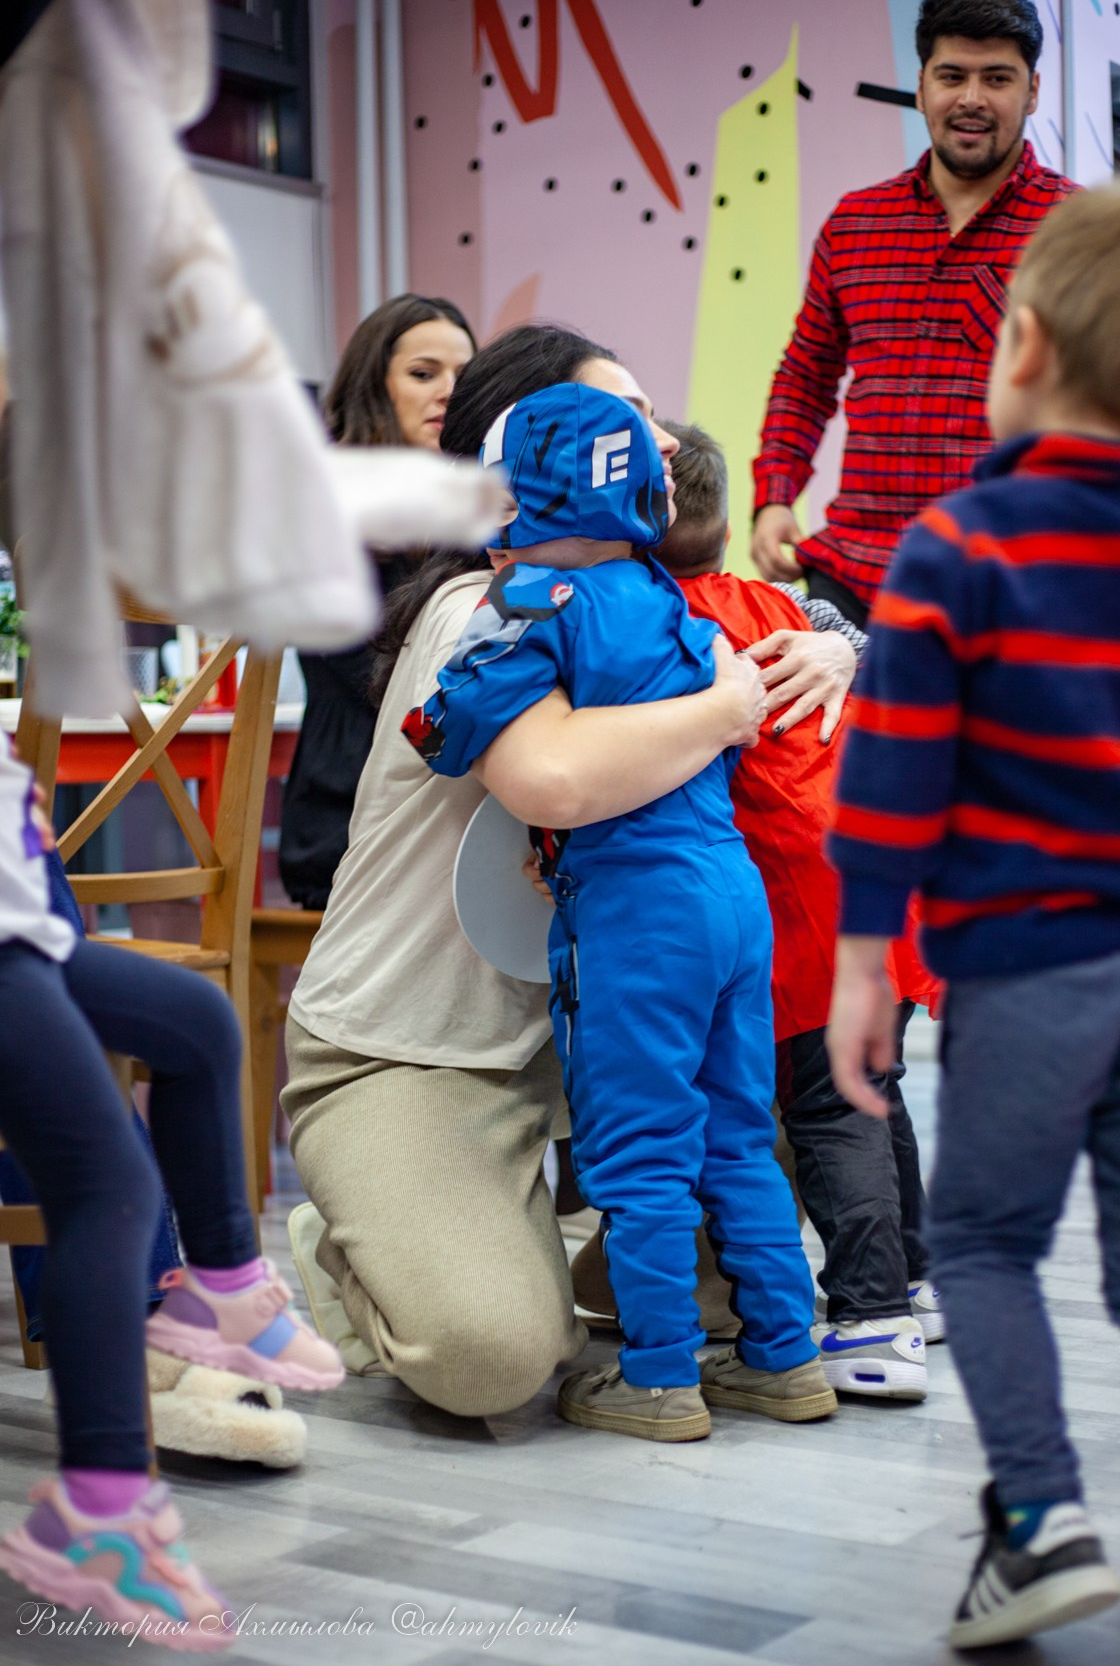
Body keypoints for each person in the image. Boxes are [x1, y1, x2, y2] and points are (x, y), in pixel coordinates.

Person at [281, 321, 863, 1419]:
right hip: (419, 1042)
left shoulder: (647, 596)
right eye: (620, 417)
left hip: (591, 1007)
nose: (658, 438)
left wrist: (839, 642)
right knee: (494, 1359)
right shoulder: (487, 606)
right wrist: (728, 705)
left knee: (733, 1180)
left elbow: (791, 616)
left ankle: (587, 1283)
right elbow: (550, 778)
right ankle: (367, 1241)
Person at [408, 380, 836, 1442]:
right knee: (737, 1133)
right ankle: (785, 1358)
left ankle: (657, 1376)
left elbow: (448, 731)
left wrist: (446, 702)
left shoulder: (533, 608)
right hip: (730, 893)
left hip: (639, 913)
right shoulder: (669, 600)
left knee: (642, 1152)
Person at [826, 187, 1120, 1647]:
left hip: (1027, 967)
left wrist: (864, 961)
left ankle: (1042, 1517)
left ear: (1026, 346)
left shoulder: (959, 545)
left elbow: (889, 778)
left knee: (989, 1244)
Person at [0, 732, 344, 1647]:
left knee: (197, 1019)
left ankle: (220, 1293)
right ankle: (101, 1515)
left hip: (23, 921)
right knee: (108, 1183)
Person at [652, 419, 939, 1399]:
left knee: (826, 1108)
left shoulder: (656, 625)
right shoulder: (790, 606)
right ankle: (916, 1283)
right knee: (873, 1087)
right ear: (729, 523)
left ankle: (872, 1322)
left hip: (800, 904)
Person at [751, 0, 1075, 625]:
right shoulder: (856, 222)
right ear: (922, 87)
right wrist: (775, 495)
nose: (972, 98)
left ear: (1033, 91)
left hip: (1005, 578)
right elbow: (806, 374)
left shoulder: (1075, 232)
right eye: (952, 76)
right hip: (852, 571)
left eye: (997, 78)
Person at [279, 293, 476, 909]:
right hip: (354, 820)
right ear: (374, 388)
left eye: (464, 375)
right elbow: (390, 681)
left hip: (452, 811)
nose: (449, 392)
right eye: (424, 373)